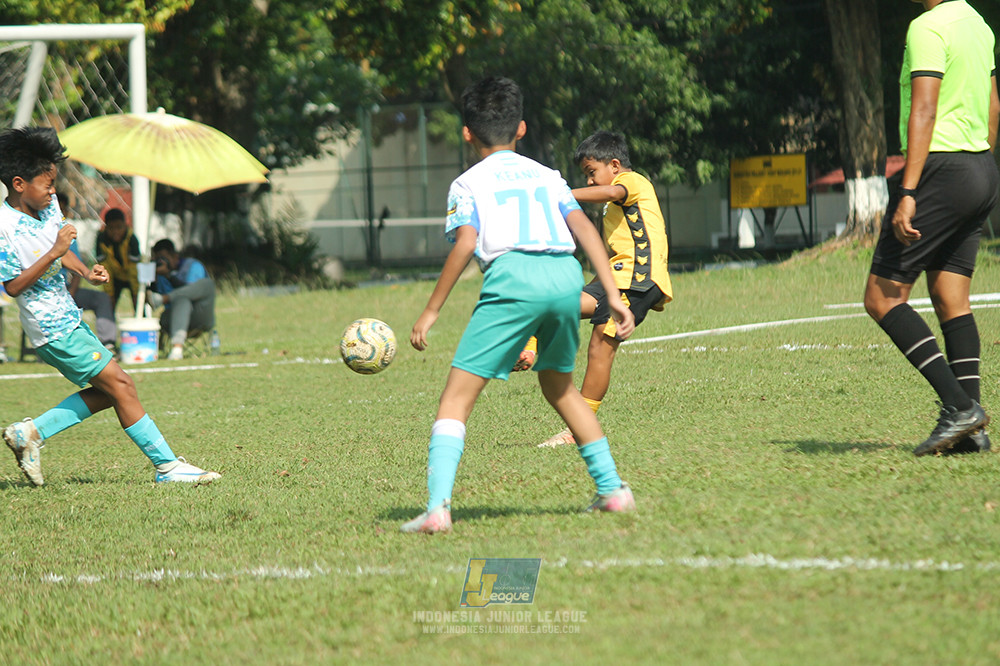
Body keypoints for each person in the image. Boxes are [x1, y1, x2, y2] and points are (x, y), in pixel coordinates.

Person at [401, 77, 637, 534]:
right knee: (560, 388)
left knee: (455, 398)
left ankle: (436, 509)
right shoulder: (547, 175)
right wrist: (611, 295)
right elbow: (585, 232)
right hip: (564, 277)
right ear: (522, 128)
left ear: (467, 133)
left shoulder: (466, 183)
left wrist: (431, 311)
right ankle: (613, 490)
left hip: (514, 279)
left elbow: (466, 242)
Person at [0, 126, 221, 485]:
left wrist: (86, 270)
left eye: (54, 183)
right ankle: (166, 467)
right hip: (49, 325)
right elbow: (13, 285)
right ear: (19, 183)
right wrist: (55, 251)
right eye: (46, 185)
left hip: (67, 317)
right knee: (122, 384)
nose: (53, 191)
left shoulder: (48, 205)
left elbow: (61, 252)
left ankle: (31, 434)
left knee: (109, 392)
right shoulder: (4, 226)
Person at [863, 0, 999, 456]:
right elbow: (993, 106)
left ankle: (960, 409)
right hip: (980, 167)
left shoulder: (927, 27)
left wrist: (909, 190)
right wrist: (975, 166)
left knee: (883, 297)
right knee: (950, 298)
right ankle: (973, 433)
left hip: (939, 171)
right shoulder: (979, 25)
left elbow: (923, 109)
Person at [518, 130, 673, 448]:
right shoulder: (617, 192)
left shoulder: (632, 181)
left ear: (615, 164)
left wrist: (562, 194)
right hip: (614, 277)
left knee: (599, 349)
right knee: (560, 303)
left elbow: (612, 191)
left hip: (636, 277)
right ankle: (528, 347)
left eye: (592, 173)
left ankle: (578, 431)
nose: (590, 181)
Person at [57, 194, 117, 352]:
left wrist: (71, 292)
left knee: (102, 298)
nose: (59, 213)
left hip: (66, 290)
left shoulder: (67, 233)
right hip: (46, 294)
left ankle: (109, 344)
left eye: (62, 210)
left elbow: (77, 267)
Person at [148, 238, 216, 361]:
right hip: (169, 318)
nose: (161, 261)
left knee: (206, 285)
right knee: (181, 301)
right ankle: (176, 349)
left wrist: (169, 275)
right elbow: (150, 300)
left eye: (163, 257)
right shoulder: (156, 271)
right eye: (158, 258)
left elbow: (192, 292)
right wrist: (152, 275)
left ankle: (165, 298)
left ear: (174, 256)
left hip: (198, 316)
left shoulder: (192, 266)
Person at [94, 207, 140, 311]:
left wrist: (136, 293)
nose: (115, 232)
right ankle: (109, 324)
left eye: (119, 227)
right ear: (106, 227)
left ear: (125, 225)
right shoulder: (102, 239)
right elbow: (104, 267)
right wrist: (109, 294)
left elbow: (134, 268)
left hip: (132, 276)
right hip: (114, 277)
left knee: (139, 303)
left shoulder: (131, 238)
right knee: (109, 305)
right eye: (111, 228)